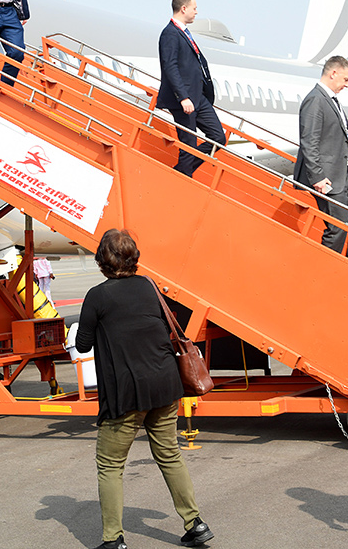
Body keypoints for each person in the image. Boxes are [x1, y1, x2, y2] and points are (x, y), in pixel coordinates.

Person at [75, 229, 214, 549]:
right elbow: (164, 328)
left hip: (127, 391)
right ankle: (195, 523)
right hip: (165, 385)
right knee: (169, 455)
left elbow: (82, 345)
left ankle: (113, 539)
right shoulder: (151, 288)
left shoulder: (98, 296)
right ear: (133, 259)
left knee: (110, 464)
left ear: (102, 262)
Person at [292, 55, 348, 262]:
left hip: (342, 173)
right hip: (326, 177)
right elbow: (309, 141)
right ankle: (327, 266)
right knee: (337, 227)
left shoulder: (331, 100)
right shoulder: (315, 100)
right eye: (345, 80)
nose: (347, 85)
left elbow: (339, 135)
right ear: (333, 73)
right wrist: (317, 176)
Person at [157, 0, 226, 177]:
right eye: (194, 8)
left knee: (218, 138)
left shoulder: (184, 33)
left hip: (198, 97)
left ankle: (180, 171)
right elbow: (169, 67)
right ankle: (182, 177)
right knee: (188, 146)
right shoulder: (170, 34)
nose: (197, 12)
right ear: (184, 8)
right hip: (184, 100)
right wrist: (183, 97)